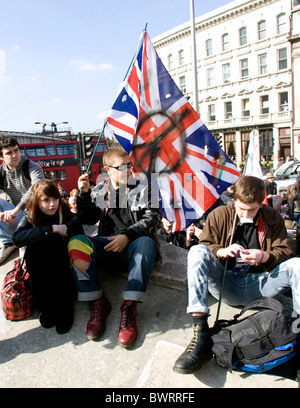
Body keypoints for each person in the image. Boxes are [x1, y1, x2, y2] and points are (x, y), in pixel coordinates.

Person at [173, 175, 300, 374]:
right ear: (234, 200)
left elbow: (285, 253)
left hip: (260, 284)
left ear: (261, 203)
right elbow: (205, 245)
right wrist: (220, 251)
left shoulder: (272, 217)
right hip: (228, 282)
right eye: (241, 208)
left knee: (297, 265)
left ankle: (296, 334)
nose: (246, 213)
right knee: (197, 252)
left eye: (252, 209)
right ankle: (200, 332)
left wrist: (264, 256)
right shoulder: (220, 215)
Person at [68, 146, 161, 348]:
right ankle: (97, 301)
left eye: (129, 165)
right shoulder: (100, 190)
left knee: (146, 242)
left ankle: (129, 307)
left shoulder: (145, 187)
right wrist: (84, 195)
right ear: (108, 170)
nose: (128, 170)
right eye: (121, 167)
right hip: (107, 246)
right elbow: (88, 219)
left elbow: (154, 218)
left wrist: (127, 236)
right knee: (76, 242)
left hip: (135, 248)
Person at [12, 179, 83, 334]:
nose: (52, 204)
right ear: (37, 201)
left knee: (56, 243)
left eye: (54, 199)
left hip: (62, 270)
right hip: (39, 273)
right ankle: (45, 306)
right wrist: (50, 229)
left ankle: (65, 305)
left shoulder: (66, 214)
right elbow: (17, 239)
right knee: (38, 240)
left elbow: (80, 237)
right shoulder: (30, 214)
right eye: (45, 200)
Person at [0, 136, 44, 263]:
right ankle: (6, 241)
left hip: (36, 216)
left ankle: (21, 241)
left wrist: (16, 209)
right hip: (15, 217)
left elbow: (35, 189)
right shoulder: (1, 173)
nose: (14, 155)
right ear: (1, 157)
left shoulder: (32, 167)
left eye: (16, 150)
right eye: (9, 153)